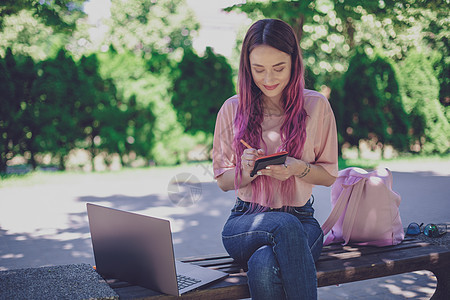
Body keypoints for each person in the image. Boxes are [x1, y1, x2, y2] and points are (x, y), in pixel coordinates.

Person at [212, 19, 338, 299]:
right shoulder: (232, 109)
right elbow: (222, 180)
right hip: (245, 220)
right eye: (258, 69)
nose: (268, 79)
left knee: (263, 263)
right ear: (248, 68)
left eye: (278, 68)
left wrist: (297, 169)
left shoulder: (317, 106)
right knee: (283, 226)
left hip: (302, 220)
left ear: (294, 63)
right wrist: (248, 170)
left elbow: (329, 176)